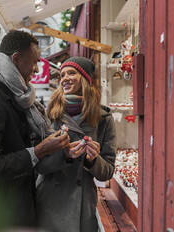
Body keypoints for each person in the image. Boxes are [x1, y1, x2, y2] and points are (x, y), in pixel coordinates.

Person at [0, 30, 70, 230]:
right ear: (17, 59)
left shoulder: (12, 93)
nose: (37, 69)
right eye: (35, 61)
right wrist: (39, 150)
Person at [36, 56, 117, 232]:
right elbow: (38, 165)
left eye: (71, 73)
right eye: (62, 75)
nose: (65, 78)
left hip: (83, 206)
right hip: (51, 203)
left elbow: (108, 172)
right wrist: (64, 155)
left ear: (86, 79)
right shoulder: (48, 116)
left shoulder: (103, 119)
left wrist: (92, 160)